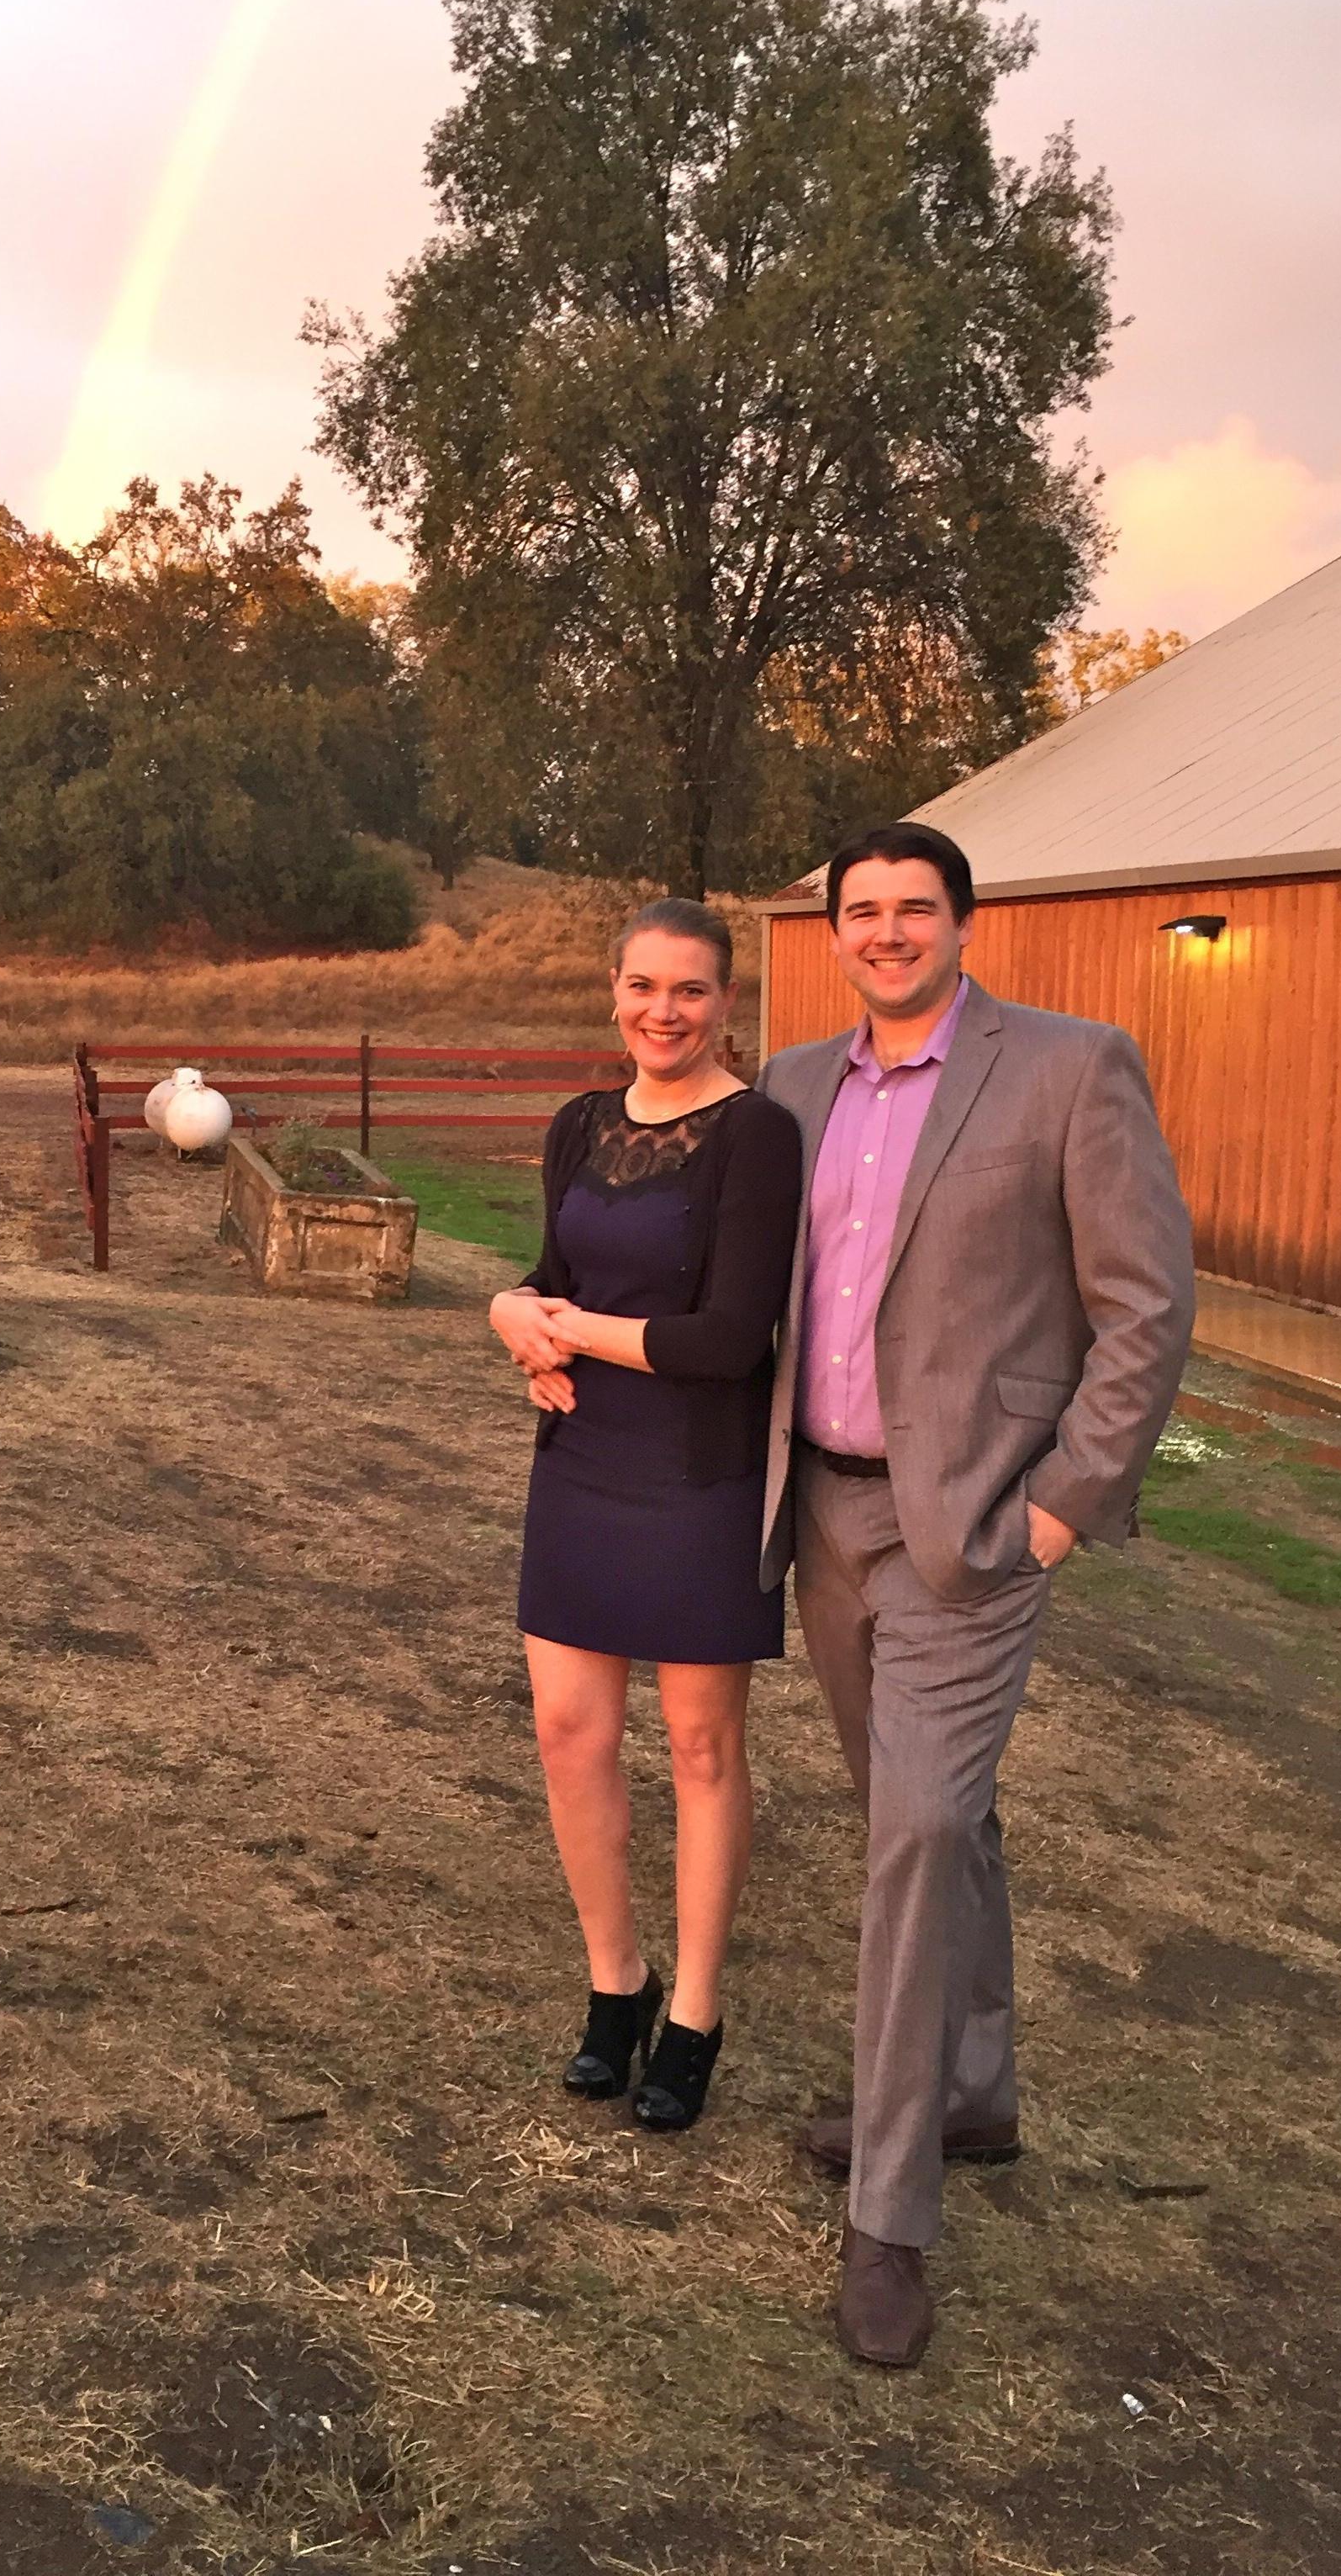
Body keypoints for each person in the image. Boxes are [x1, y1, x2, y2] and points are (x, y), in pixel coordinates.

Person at [756, 821, 1193, 2367]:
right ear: (834, 935)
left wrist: (1068, 1505)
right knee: (942, 1811)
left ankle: (892, 2212)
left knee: (916, 1830)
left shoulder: (1072, 1070)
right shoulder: (792, 1087)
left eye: (914, 909)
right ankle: (977, 2089)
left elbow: (1145, 1304)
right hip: (820, 1512)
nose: (888, 933)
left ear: (961, 921)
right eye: (861, 912)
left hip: (978, 1527)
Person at [488, 897, 802, 2134]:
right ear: (612, 990)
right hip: (582, 1461)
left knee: (700, 1745)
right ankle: (617, 1983)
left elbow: (732, 1339)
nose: (661, 1012)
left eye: (689, 991)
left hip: (700, 1471)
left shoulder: (758, 1135)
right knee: (570, 1731)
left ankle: (697, 2015)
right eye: (641, 987)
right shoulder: (579, 1125)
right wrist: (512, 1316)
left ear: (727, 1002)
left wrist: (572, 1332)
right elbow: (545, 1279)